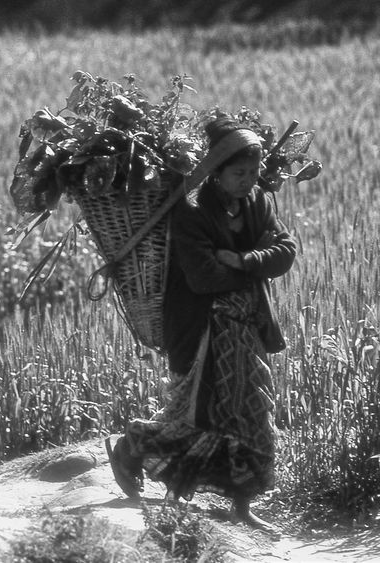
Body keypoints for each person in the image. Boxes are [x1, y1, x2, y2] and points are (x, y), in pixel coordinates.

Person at [105, 116, 296, 533]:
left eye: (254, 172)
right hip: (202, 332)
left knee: (253, 414)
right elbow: (203, 277)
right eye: (239, 173)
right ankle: (136, 443)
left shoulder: (258, 203)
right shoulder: (190, 211)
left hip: (247, 328)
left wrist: (244, 260)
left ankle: (241, 506)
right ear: (216, 173)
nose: (248, 181)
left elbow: (285, 249)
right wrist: (254, 266)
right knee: (204, 417)